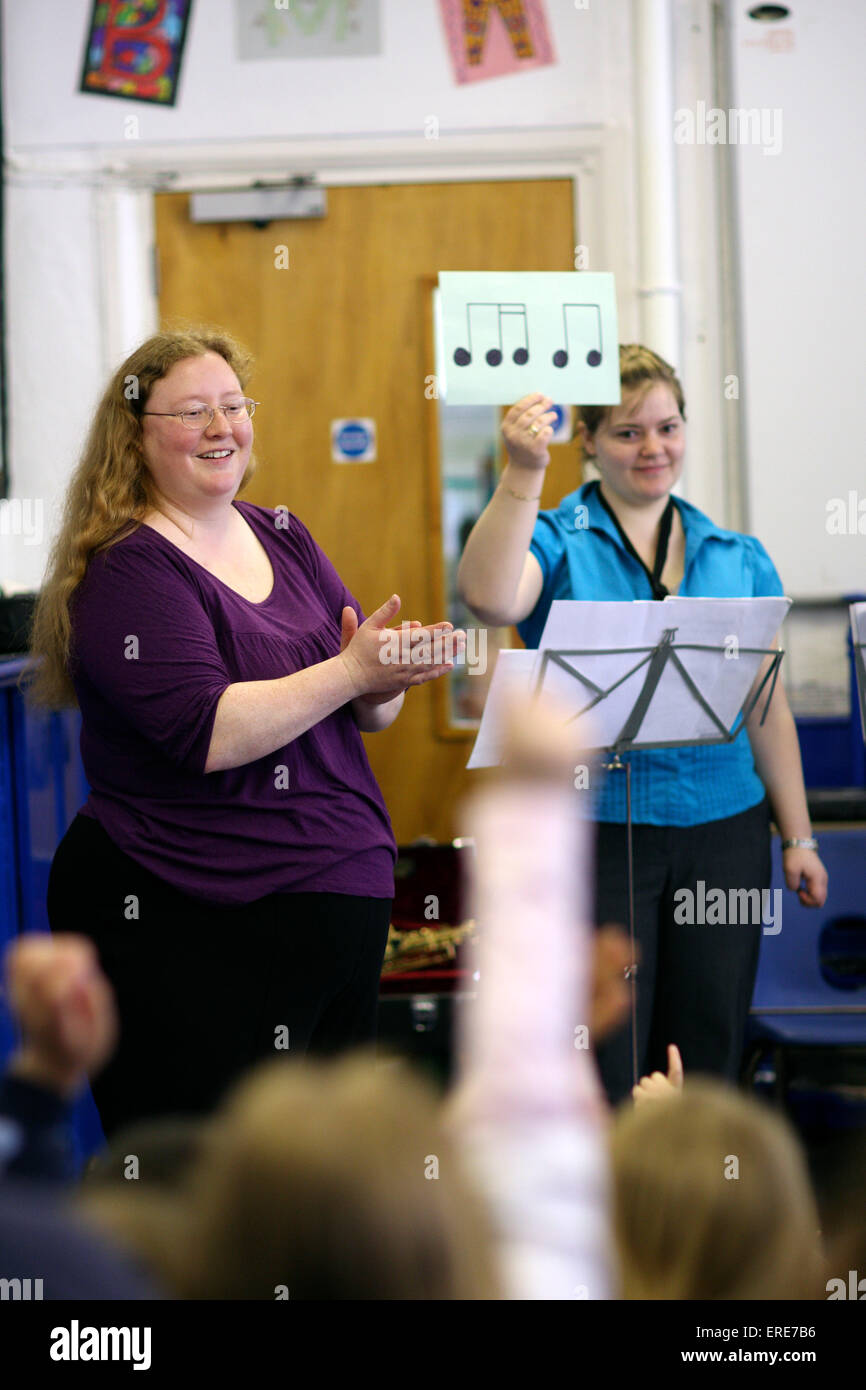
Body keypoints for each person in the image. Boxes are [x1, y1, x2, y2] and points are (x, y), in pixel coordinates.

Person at [24, 325, 462, 1139]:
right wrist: (352, 674)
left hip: (338, 895)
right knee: (209, 1179)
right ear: (136, 434)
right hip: (191, 912)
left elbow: (366, 705)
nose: (223, 427)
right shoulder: (130, 568)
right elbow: (208, 731)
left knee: (319, 1181)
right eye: (194, 412)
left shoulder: (284, 535)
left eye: (234, 405)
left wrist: (388, 675)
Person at [456, 344, 828, 1104]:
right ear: (588, 442)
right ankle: (614, 1212)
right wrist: (523, 472)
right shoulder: (556, 536)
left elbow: (768, 705)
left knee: (713, 1037)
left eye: (669, 426)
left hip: (726, 829)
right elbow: (491, 597)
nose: (653, 448)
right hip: (598, 828)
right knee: (604, 1045)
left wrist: (799, 837)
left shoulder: (740, 555)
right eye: (628, 432)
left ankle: (698, 1211)